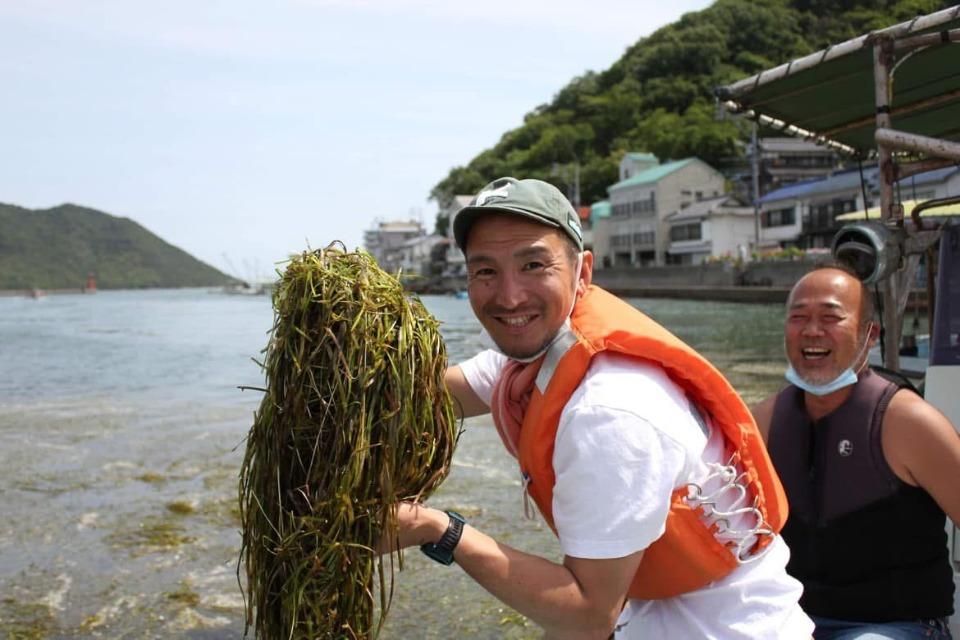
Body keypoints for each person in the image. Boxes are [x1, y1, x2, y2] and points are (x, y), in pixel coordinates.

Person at [386, 177, 814, 638]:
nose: (509, 296)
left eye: (533, 264)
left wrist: (434, 529)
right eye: (485, 271)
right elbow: (431, 394)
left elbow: (589, 616)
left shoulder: (608, 411)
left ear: (582, 271)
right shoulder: (540, 355)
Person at [752, 266, 960, 640]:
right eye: (798, 318)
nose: (812, 330)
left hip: (895, 626)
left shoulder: (908, 422)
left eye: (831, 317)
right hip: (790, 621)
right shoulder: (764, 421)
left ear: (869, 335)